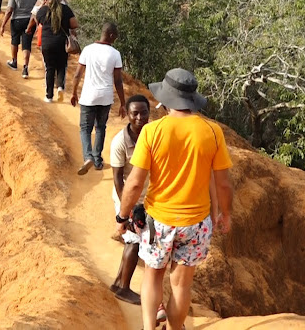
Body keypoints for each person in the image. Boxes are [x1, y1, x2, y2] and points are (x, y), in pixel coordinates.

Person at [116, 68, 234, 330]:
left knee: (153, 276)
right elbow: (223, 183)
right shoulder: (212, 132)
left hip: (160, 221)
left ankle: (149, 327)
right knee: (181, 285)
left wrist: (122, 217)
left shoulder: (152, 131)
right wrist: (224, 213)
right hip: (196, 222)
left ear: (165, 98)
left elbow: (135, 183)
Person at [109, 94, 151, 305]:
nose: (140, 117)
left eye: (144, 112)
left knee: (131, 241)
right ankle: (124, 289)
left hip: (148, 198)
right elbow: (117, 178)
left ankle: (118, 282)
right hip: (127, 196)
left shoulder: (151, 135)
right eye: (135, 113)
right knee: (134, 241)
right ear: (127, 113)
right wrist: (128, 209)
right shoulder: (120, 142)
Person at [70, 22, 126, 174]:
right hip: (105, 97)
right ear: (111, 35)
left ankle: (88, 156)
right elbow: (118, 81)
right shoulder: (115, 54)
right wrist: (123, 103)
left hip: (89, 96)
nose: (115, 39)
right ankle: (97, 161)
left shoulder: (88, 50)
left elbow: (77, 74)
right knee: (100, 128)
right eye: (115, 37)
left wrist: (74, 92)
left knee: (85, 129)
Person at [28, 0, 79, 103]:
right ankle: (60, 87)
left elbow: (38, 21)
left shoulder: (42, 11)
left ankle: (49, 96)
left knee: (49, 69)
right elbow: (75, 24)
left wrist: (41, 6)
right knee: (62, 66)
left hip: (47, 44)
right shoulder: (65, 9)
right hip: (61, 43)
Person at [0, 0, 38, 78]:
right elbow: (37, 11)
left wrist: (3, 25)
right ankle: (25, 67)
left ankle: (14, 61)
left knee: (15, 41)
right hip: (30, 21)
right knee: (26, 44)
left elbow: (9, 10)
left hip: (16, 20)